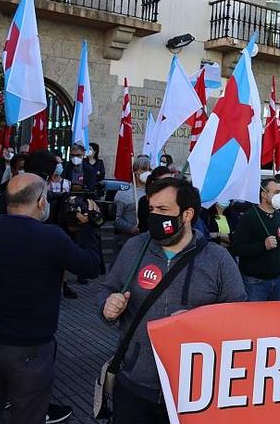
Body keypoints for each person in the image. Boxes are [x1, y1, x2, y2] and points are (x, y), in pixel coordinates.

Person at [99, 178, 245, 421]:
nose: (154, 216)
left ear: (187, 214)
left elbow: (238, 316)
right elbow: (108, 289)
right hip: (135, 382)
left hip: (194, 390)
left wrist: (198, 321)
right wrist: (107, 306)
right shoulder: (135, 248)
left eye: (163, 210)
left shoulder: (218, 260)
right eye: (152, 209)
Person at [0, 173, 100, 424]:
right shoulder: (50, 237)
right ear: (41, 202)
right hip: (29, 347)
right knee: (29, 412)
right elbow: (90, 266)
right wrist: (89, 227)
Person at [230, 179, 280, 301]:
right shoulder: (249, 217)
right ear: (264, 194)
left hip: (277, 280)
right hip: (255, 282)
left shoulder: (277, 216)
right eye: (276, 192)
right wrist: (262, 245)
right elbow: (237, 248)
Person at [115, 156, 151, 252]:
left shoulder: (154, 193)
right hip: (127, 242)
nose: (147, 172)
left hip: (148, 242)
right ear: (135, 172)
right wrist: (130, 228)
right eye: (143, 169)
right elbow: (116, 218)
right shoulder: (124, 193)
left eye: (149, 169)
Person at [137, 166, 174, 233]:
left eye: (171, 180)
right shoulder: (145, 201)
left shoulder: (174, 199)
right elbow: (145, 225)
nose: (169, 183)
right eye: (165, 181)